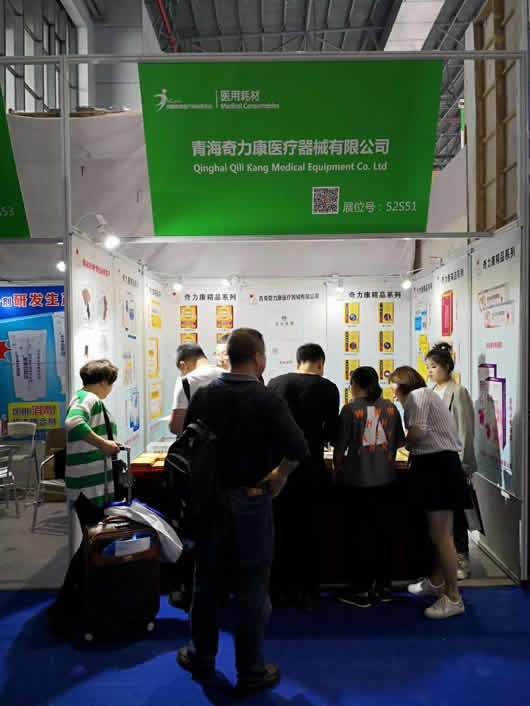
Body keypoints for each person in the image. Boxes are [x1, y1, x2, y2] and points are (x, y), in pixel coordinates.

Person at [176, 328, 309, 696]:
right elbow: (298, 447)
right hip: (252, 502)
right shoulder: (267, 399)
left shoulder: (204, 395)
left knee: (205, 583)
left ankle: (201, 657)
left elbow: (187, 443)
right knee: (252, 588)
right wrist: (280, 475)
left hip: (208, 504)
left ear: (229, 358)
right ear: (259, 359)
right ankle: (251, 671)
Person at [389, 366, 471, 620]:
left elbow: (418, 432)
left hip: (439, 467)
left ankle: (453, 597)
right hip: (434, 466)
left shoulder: (419, 396)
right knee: (438, 533)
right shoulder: (423, 396)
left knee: (441, 534)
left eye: (395, 390)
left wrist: (400, 442)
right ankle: (436, 581)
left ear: (404, 385)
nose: (394, 397)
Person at [48, 359, 121, 635]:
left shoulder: (85, 398)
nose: (110, 389)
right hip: (87, 487)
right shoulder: (87, 398)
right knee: (93, 544)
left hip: (90, 485)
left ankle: (73, 602)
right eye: (110, 384)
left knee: (92, 543)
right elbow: (73, 423)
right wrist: (104, 445)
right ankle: (67, 604)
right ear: (103, 382)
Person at [267, 343, 339, 611]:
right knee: (310, 531)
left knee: (280, 529)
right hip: (312, 468)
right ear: (320, 363)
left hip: (280, 469)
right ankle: (307, 592)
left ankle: (278, 590)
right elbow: (332, 432)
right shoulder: (328, 388)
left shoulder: (276, 383)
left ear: (298, 361)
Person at [333, 367, 405, 608]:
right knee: (384, 535)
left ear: (355, 384)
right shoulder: (391, 408)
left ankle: (361, 590)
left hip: (358, 482)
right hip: (386, 481)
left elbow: (339, 450)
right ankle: (384, 587)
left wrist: (337, 469)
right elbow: (398, 442)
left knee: (359, 536)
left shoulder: (350, 409)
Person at [425, 342, 477, 579]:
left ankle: (462, 559)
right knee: (439, 515)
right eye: (428, 367)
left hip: (453, 462)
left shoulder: (458, 391)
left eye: (434, 366)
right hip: (433, 460)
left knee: (456, 514)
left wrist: (464, 463)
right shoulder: (431, 391)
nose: (430, 371)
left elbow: (465, 430)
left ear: (446, 366)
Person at [169, 343, 223, 435]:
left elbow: (176, 427)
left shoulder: (185, 381)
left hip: (200, 442)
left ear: (182, 365)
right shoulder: (227, 374)